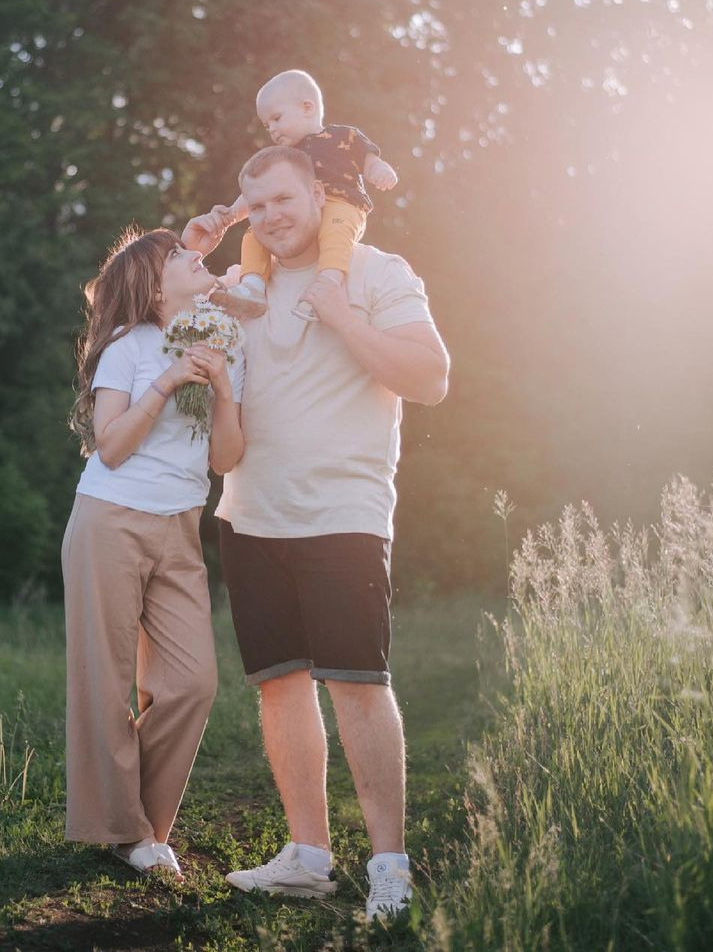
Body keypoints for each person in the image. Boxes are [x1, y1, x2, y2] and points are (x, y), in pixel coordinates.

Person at [182, 146, 449, 923]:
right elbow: (166, 316)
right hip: (250, 513)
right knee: (279, 687)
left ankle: (390, 867)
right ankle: (307, 856)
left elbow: (431, 378)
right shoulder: (242, 286)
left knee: (359, 688)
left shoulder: (375, 272)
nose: (270, 215)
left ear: (319, 193)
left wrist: (340, 318)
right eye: (255, 204)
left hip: (345, 516)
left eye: (283, 200)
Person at [63, 227, 245, 876]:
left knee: (193, 681)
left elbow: (225, 457)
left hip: (181, 527)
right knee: (107, 680)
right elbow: (110, 445)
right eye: (176, 255)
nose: (195, 256)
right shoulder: (127, 348)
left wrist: (223, 386)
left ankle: (142, 821)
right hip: (109, 519)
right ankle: (133, 834)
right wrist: (168, 380)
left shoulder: (224, 341)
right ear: (154, 284)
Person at [208, 69, 399, 321]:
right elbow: (258, 194)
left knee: (335, 232)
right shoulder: (281, 158)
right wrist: (232, 214)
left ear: (308, 107)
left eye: (277, 118)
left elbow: (369, 160)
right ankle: (252, 286)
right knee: (255, 233)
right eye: (267, 125)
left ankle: (326, 286)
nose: (272, 129)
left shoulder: (344, 136)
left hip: (342, 203)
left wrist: (379, 170)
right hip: (301, 212)